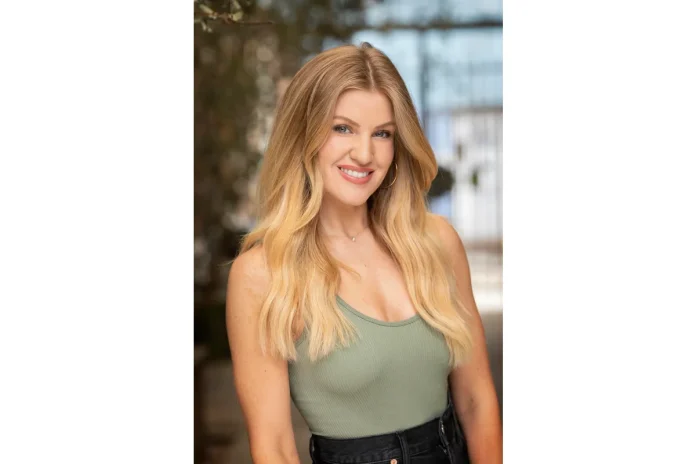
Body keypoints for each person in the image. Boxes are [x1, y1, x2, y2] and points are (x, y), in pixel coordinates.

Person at [226, 42, 502, 464]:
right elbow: (274, 446)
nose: (365, 153)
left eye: (382, 133)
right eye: (342, 128)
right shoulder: (264, 274)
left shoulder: (436, 242)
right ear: (303, 133)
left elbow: (476, 401)